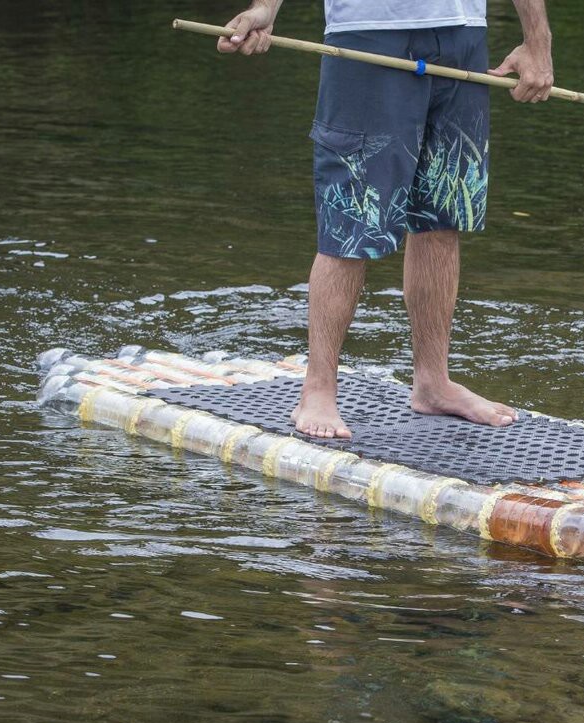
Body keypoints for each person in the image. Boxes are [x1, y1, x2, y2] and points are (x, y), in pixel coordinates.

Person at [216, 0, 553, 438]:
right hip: (370, 32)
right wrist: (265, 8)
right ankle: (318, 388)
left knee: (441, 214)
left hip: (464, 32)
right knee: (351, 217)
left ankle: (433, 383)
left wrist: (537, 41)